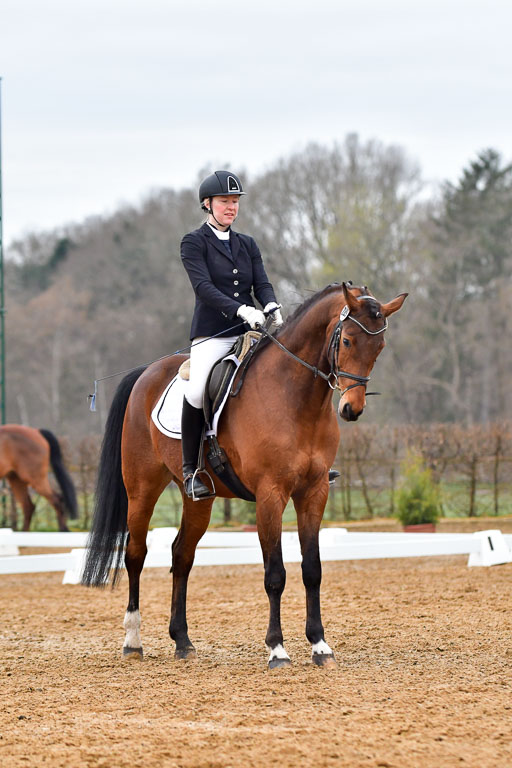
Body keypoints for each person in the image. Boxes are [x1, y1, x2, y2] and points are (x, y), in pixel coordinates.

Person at [180, 170, 283, 499]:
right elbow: (203, 288)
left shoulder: (247, 244)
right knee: (197, 391)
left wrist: (270, 305)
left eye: (235, 202)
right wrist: (240, 310)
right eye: (225, 201)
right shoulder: (194, 243)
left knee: (285, 376)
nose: (231, 207)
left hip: (252, 331)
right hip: (213, 333)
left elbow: (261, 283)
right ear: (207, 204)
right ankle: (191, 470)